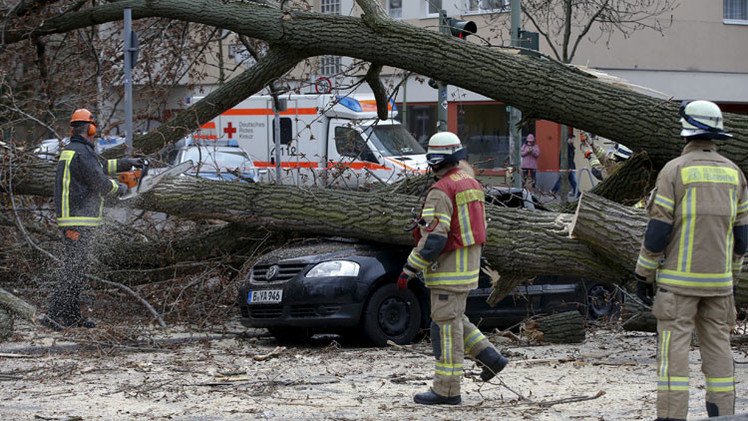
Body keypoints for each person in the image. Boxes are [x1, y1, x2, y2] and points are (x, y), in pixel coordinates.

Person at [634, 100, 747, 419]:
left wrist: (643, 274)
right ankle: (723, 415)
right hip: (719, 286)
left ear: (686, 132)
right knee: (720, 355)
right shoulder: (734, 174)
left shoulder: (674, 171)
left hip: (678, 287)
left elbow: (657, 232)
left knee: (674, 359)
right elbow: (742, 240)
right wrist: (731, 282)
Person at [399, 131, 509, 405]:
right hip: (468, 269)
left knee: (445, 330)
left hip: (448, 270)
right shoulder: (470, 182)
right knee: (453, 319)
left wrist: (409, 269)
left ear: (435, 161)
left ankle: (447, 390)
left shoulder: (441, 190)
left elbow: (434, 238)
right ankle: (490, 357)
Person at [45, 108, 144, 330]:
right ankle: (53, 315)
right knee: (73, 269)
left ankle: (69, 316)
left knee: (76, 269)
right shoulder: (81, 153)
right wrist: (120, 188)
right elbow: (100, 182)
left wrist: (127, 163)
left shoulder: (76, 151)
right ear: (90, 129)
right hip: (77, 220)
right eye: (94, 130)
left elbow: (101, 166)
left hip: (79, 219)